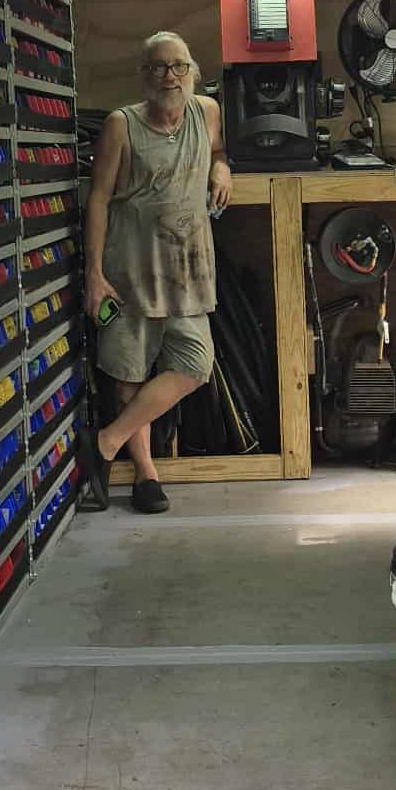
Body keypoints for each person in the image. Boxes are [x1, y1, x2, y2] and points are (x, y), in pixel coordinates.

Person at [85, 31, 233, 512]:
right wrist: (94, 274)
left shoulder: (206, 112)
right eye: (158, 68)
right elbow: (100, 198)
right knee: (130, 372)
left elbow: (216, 151)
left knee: (194, 363)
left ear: (193, 70)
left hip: (188, 269)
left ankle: (106, 443)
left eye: (178, 67)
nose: (169, 76)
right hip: (129, 270)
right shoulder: (120, 125)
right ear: (143, 75)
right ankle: (147, 475)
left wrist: (222, 168)